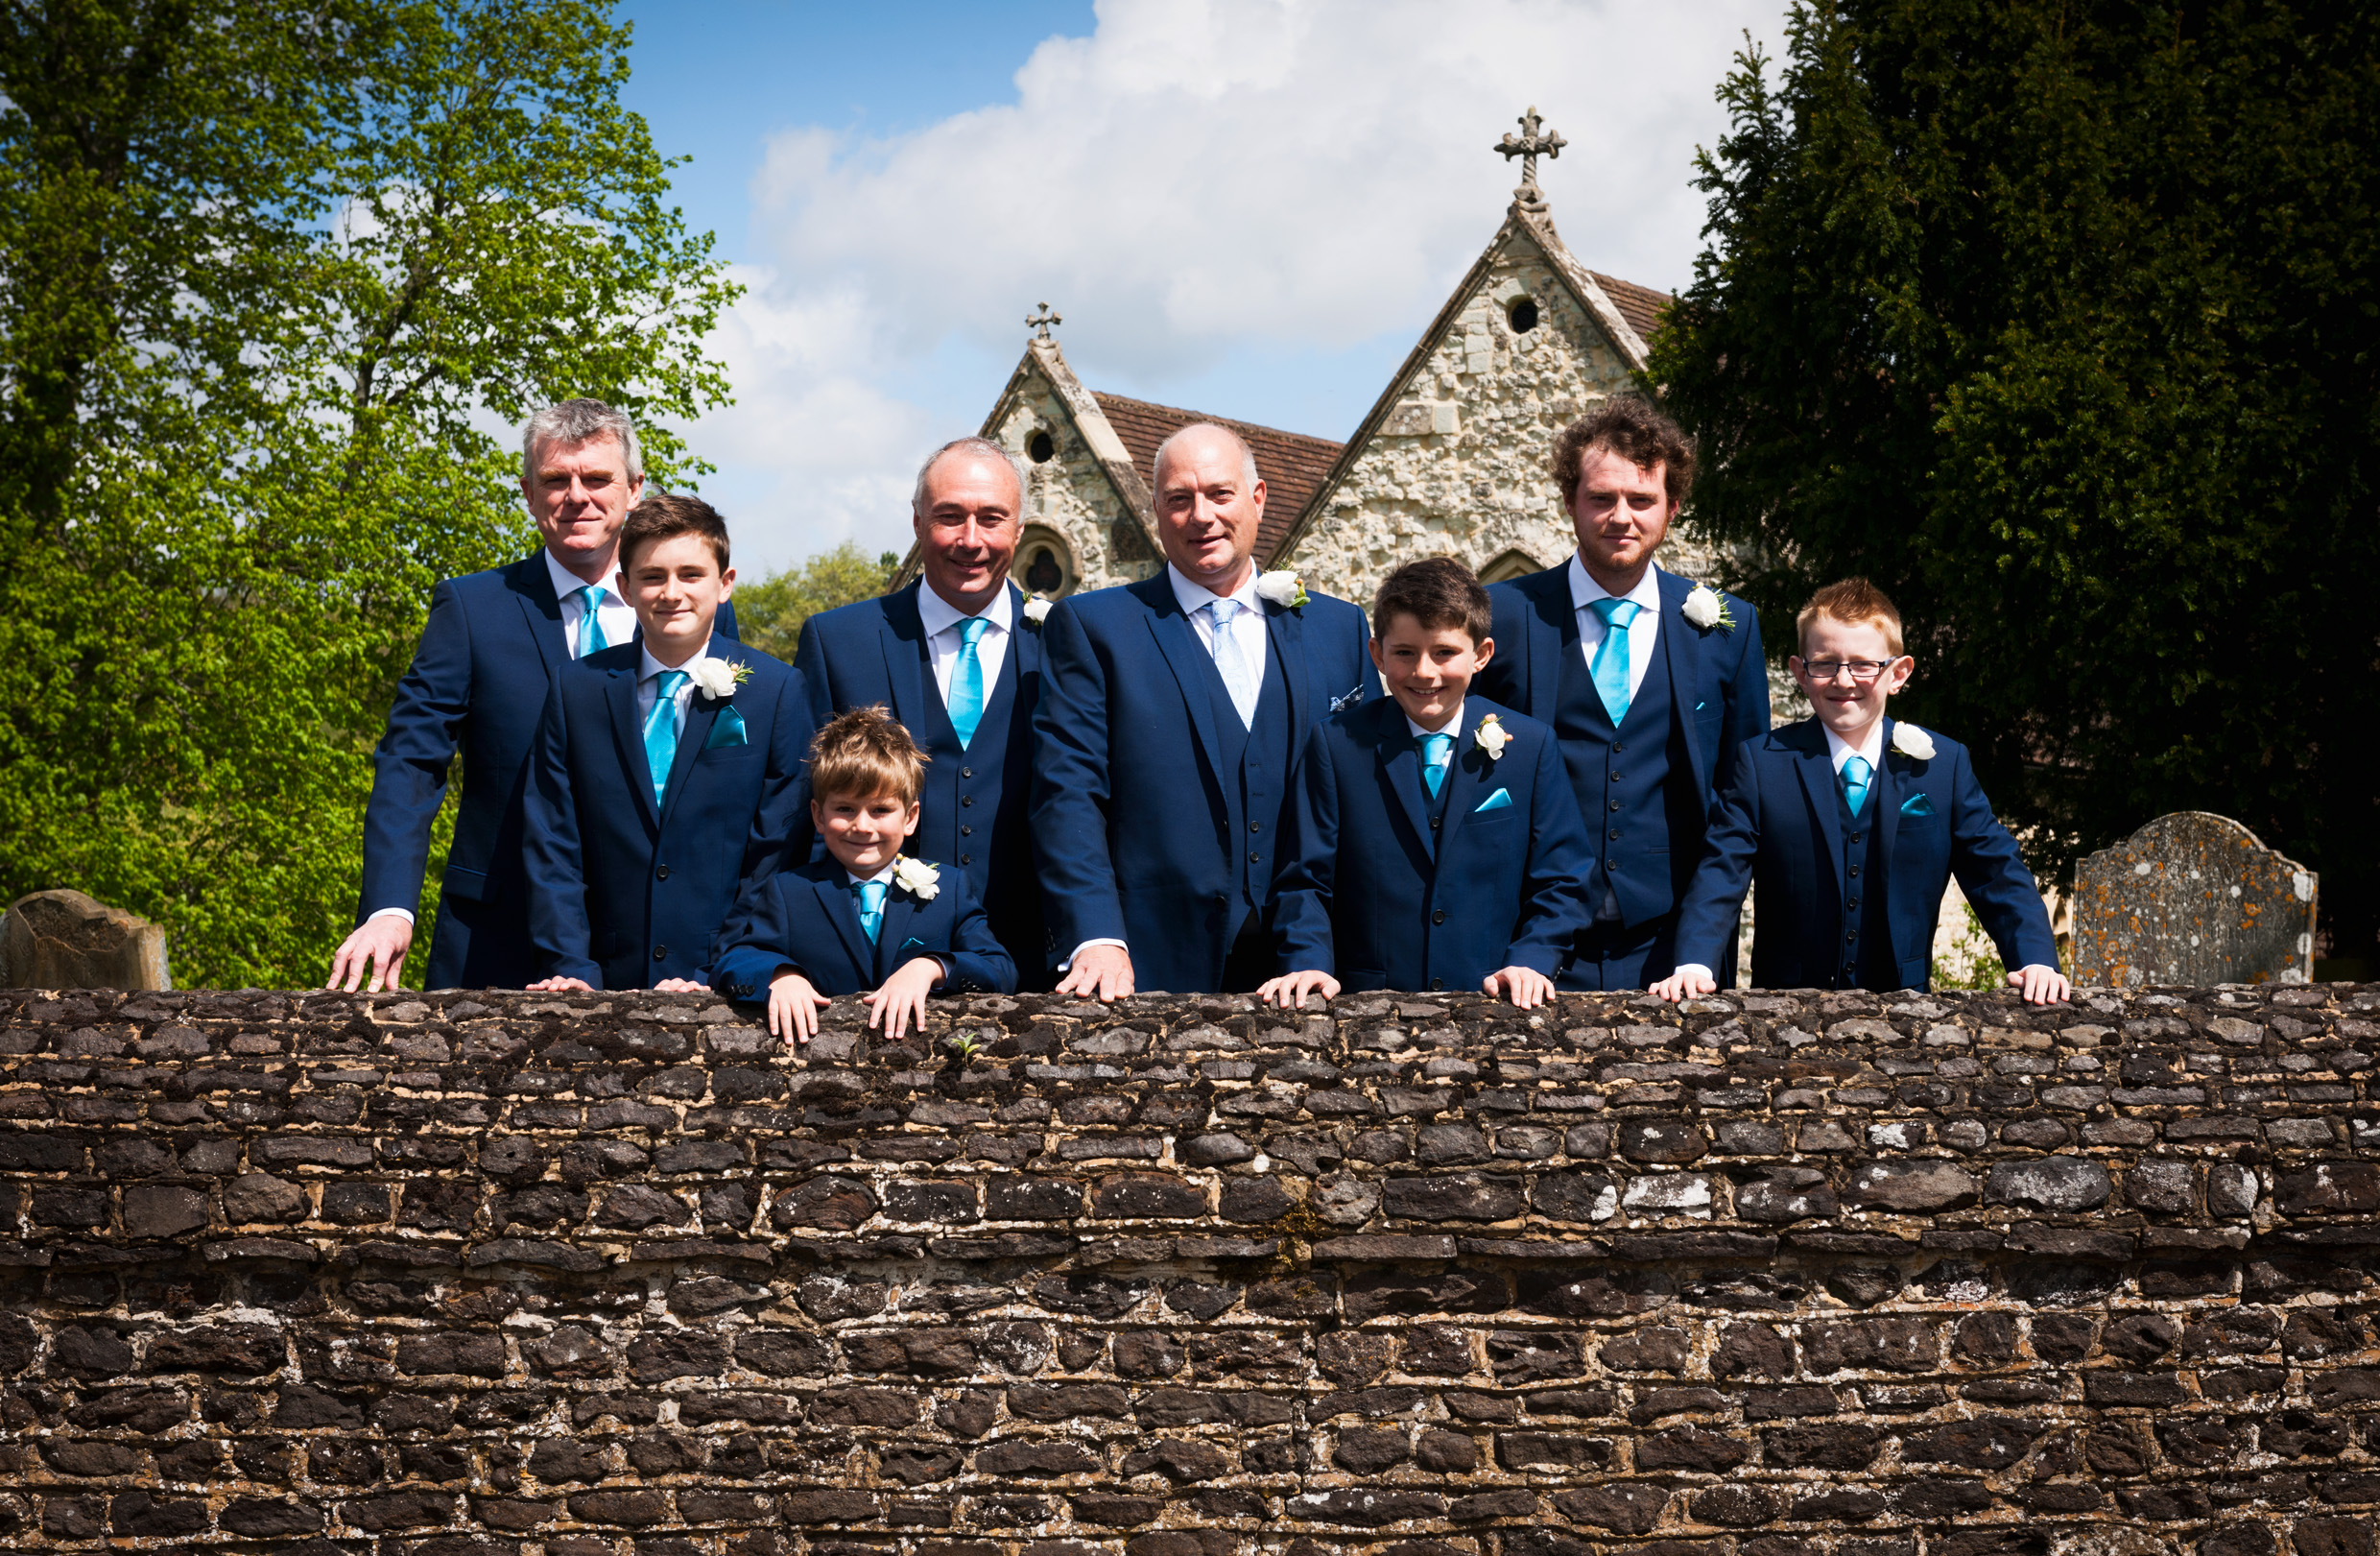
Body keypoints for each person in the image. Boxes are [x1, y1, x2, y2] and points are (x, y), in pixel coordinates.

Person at [329, 399, 739, 992]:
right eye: (556, 480)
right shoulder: (472, 610)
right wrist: (389, 909)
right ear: (527, 491)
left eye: (598, 478)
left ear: (635, 489)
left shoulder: (701, 610)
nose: (578, 496)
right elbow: (412, 762)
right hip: (499, 941)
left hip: (665, 950)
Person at [1032, 422, 1373, 998]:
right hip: (1149, 964)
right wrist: (1095, 936)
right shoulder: (1094, 628)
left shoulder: (1339, 629)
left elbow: (1368, 796)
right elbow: (1067, 792)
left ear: (1257, 499)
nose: (1202, 516)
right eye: (1179, 499)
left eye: (1220, 493)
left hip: (1318, 966)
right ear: (1158, 510)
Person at [1653, 578, 2068, 1004]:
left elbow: (1996, 870)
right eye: (1826, 663)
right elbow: (1722, 868)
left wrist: (2034, 958)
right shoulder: (1761, 763)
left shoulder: (1944, 766)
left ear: (1898, 674)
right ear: (1800, 672)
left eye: (1864, 665)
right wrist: (1695, 963)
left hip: (1907, 1012)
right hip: (1783, 1013)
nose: (1843, 679)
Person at [1471, 397, 1769, 991]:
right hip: (1526, 941)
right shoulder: (1502, 614)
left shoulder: (1726, 628)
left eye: (1642, 500)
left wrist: (1704, 944)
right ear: (1570, 503)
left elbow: (1744, 792)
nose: (1621, 516)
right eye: (1602, 498)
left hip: (1675, 948)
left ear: (1672, 507)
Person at [1260, 558, 1597, 1010]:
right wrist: (1308, 959)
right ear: (1377, 655)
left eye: (1444, 652)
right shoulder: (1337, 745)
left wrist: (1532, 959)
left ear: (1481, 655)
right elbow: (1304, 878)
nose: (1424, 672)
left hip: (1495, 1002)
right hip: (1368, 1006)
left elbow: (1564, 879)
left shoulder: (1532, 747)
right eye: (1404, 652)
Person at [518, 493, 811, 992]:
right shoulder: (575, 689)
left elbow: (777, 851)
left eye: (691, 575)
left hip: (723, 980)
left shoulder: (777, 691)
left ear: (725, 584)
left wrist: (724, 968)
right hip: (597, 981)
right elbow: (552, 840)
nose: (671, 593)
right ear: (625, 588)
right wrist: (571, 966)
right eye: (652, 577)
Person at [795, 437, 1045, 986]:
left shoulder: (1065, 643)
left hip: (1038, 962)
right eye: (949, 517)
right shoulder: (839, 641)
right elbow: (807, 814)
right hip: (873, 975)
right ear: (916, 522)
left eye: (992, 519)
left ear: (1019, 530)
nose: (970, 540)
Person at [712, 706, 1015, 1043]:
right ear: (818, 815)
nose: (862, 825)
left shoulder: (950, 888)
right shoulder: (789, 891)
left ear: (910, 816)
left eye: (880, 810)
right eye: (844, 809)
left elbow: (999, 967)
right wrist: (780, 975)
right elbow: (738, 959)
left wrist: (931, 967)